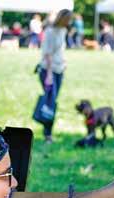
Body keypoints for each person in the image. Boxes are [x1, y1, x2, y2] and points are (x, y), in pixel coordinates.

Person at [37, 9, 72, 143]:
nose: (69, 22)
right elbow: (48, 54)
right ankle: (48, 135)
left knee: (52, 102)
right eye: (68, 20)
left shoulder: (63, 30)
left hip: (59, 70)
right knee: (49, 102)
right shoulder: (50, 31)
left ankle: (48, 133)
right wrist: (49, 74)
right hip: (48, 70)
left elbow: (60, 49)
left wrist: (64, 62)